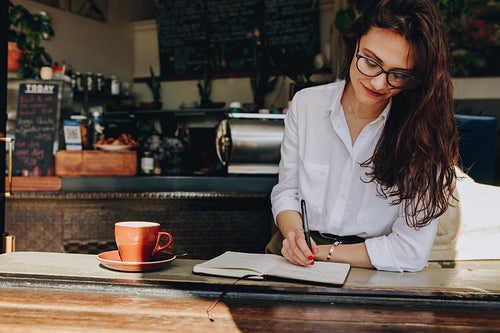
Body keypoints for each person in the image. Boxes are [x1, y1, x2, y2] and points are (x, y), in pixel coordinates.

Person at [266, 0, 459, 272]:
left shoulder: (422, 132)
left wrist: (322, 254)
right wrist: (295, 236)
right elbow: (287, 191)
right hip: (294, 257)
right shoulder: (307, 105)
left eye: (399, 75)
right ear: (354, 43)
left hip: (372, 266)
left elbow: (411, 251)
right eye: (370, 62)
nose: (379, 83)